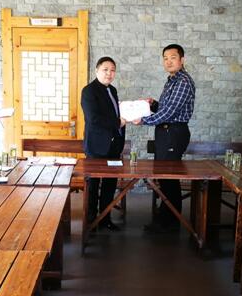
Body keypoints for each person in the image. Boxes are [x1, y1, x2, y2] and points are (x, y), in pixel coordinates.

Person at [133, 44, 195, 232]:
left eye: (173, 58)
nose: (168, 61)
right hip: (166, 132)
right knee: (165, 177)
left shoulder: (183, 81)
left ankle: (168, 221)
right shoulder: (171, 80)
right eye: (165, 58)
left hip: (173, 133)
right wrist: (153, 105)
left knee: (168, 177)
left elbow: (170, 113)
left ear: (182, 60)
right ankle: (168, 219)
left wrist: (143, 120)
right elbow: (165, 108)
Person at [81, 57, 126, 231]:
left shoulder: (112, 90)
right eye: (105, 69)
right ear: (97, 71)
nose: (109, 73)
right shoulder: (89, 91)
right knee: (93, 185)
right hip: (96, 146)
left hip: (114, 145)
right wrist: (118, 122)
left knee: (110, 184)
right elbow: (93, 118)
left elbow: (114, 113)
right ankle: (91, 220)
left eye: (112, 70)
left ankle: (105, 219)